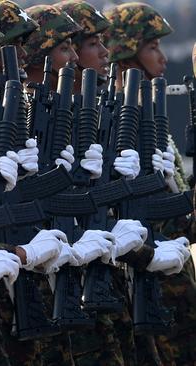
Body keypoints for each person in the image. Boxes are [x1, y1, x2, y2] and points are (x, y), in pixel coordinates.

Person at [104, 3, 196, 364]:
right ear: (126, 58)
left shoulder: (151, 118)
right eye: (152, 48)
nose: (161, 58)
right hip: (144, 280)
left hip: (175, 275)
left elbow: (177, 208)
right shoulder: (114, 120)